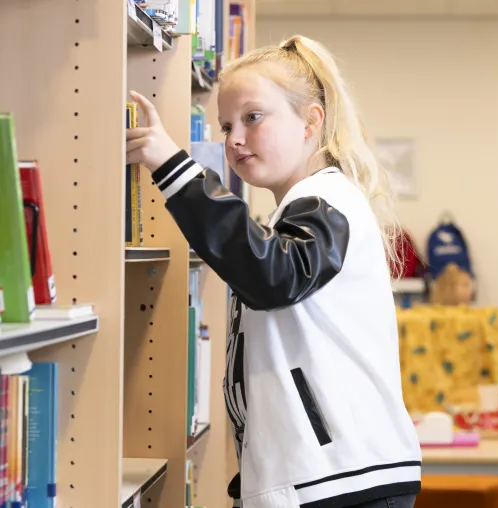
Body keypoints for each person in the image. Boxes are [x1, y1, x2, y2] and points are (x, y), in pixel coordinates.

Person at [126, 35, 422, 508]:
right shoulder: (300, 209)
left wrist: (175, 169)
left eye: (253, 117)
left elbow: (272, 275)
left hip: (346, 481)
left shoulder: (329, 203)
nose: (234, 139)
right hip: (328, 478)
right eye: (226, 126)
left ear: (311, 121)